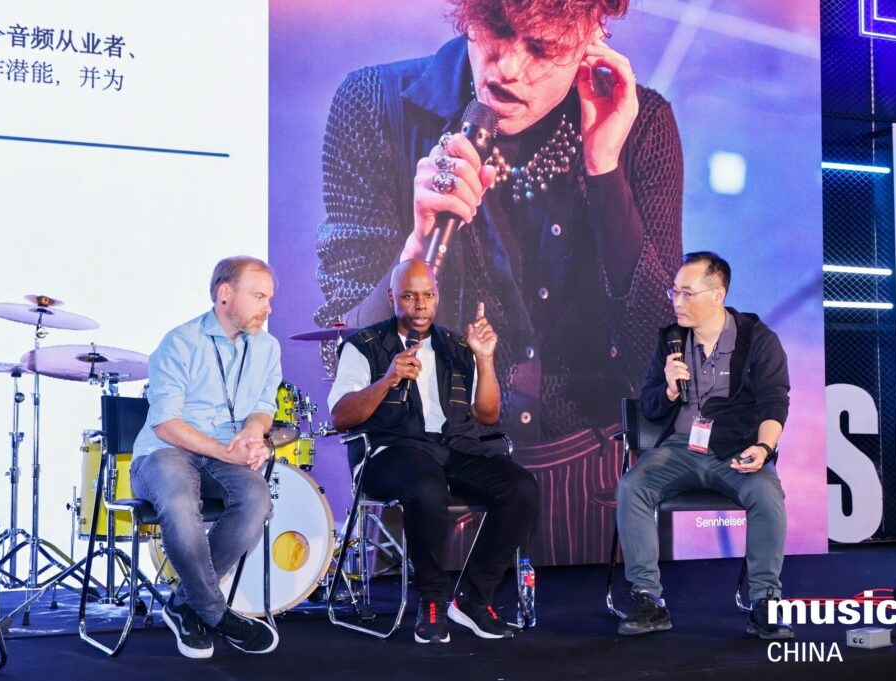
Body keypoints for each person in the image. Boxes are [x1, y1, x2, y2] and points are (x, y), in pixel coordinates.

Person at [315, 0, 682, 564]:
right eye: (497, 32)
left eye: (542, 48)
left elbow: (658, 364)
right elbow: (340, 361)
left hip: (597, 479)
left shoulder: (642, 124)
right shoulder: (374, 106)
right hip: (435, 471)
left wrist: (605, 171)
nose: (508, 67)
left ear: (593, 36)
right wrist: (415, 253)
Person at [328, 259, 539, 644]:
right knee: (426, 486)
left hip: (452, 447)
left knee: (521, 487)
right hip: (389, 451)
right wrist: (388, 378)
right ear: (393, 298)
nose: (420, 305)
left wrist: (485, 359)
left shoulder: (457, 346)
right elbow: (341, 416)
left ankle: (474, 599)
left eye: (428, 295)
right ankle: (431, 601)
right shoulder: (364, 346)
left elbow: (487, 415)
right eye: (409, 296)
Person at [615, 252, 794, 639]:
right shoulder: (670, 339)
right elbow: (649, 405)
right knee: (633, 485)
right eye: (674, 292)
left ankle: (765, 602)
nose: (677, 301)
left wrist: (763, 449)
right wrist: (666, 388)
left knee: (766, 492)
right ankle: (648, 599)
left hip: (734, 448)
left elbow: (774, 402)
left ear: (717, 295)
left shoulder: (757, 339)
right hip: (680, 447)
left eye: (686, 293)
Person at [130, 256, 282, 658]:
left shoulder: (267, 347)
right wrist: (224, 451)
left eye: (269, 298)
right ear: (225, 295)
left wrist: (252, 433)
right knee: (181, 501)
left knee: (257, 499)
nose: (268, 308)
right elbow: (165, 424)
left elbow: (264, 406)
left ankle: (184, 604)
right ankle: (216, 612)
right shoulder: (179, 342)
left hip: (222, 456)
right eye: (259, 296)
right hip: (163, 453)